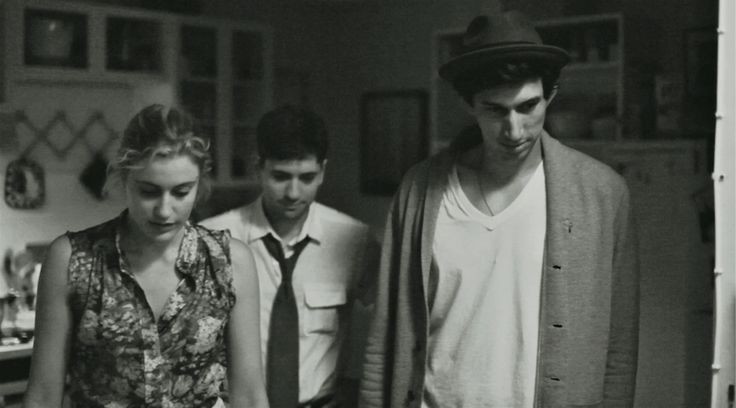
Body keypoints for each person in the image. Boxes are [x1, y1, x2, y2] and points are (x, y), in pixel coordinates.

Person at [359, 10, 639, 408]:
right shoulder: (419, 191)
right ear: (469, 105)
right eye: (495, 110)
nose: (514, 130)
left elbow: (619, 347)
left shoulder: (602, 194)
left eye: (528, 107)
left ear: (551, 95)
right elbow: (386, 331)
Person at [23, 104, 268, 408]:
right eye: (149, 191)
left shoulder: (228, 261)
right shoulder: (73, 259)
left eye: (181, 192)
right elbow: (43, 397)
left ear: (199, 186)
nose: (165, 210)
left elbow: (250, 396)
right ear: (124, 179)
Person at [201, 105, 379, 408]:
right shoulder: (213, 239)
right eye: (280, 176)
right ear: (259, 168)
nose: (293, 192)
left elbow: (394, 324)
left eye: (306, 177)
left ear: (323, 171)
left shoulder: (354, 240)